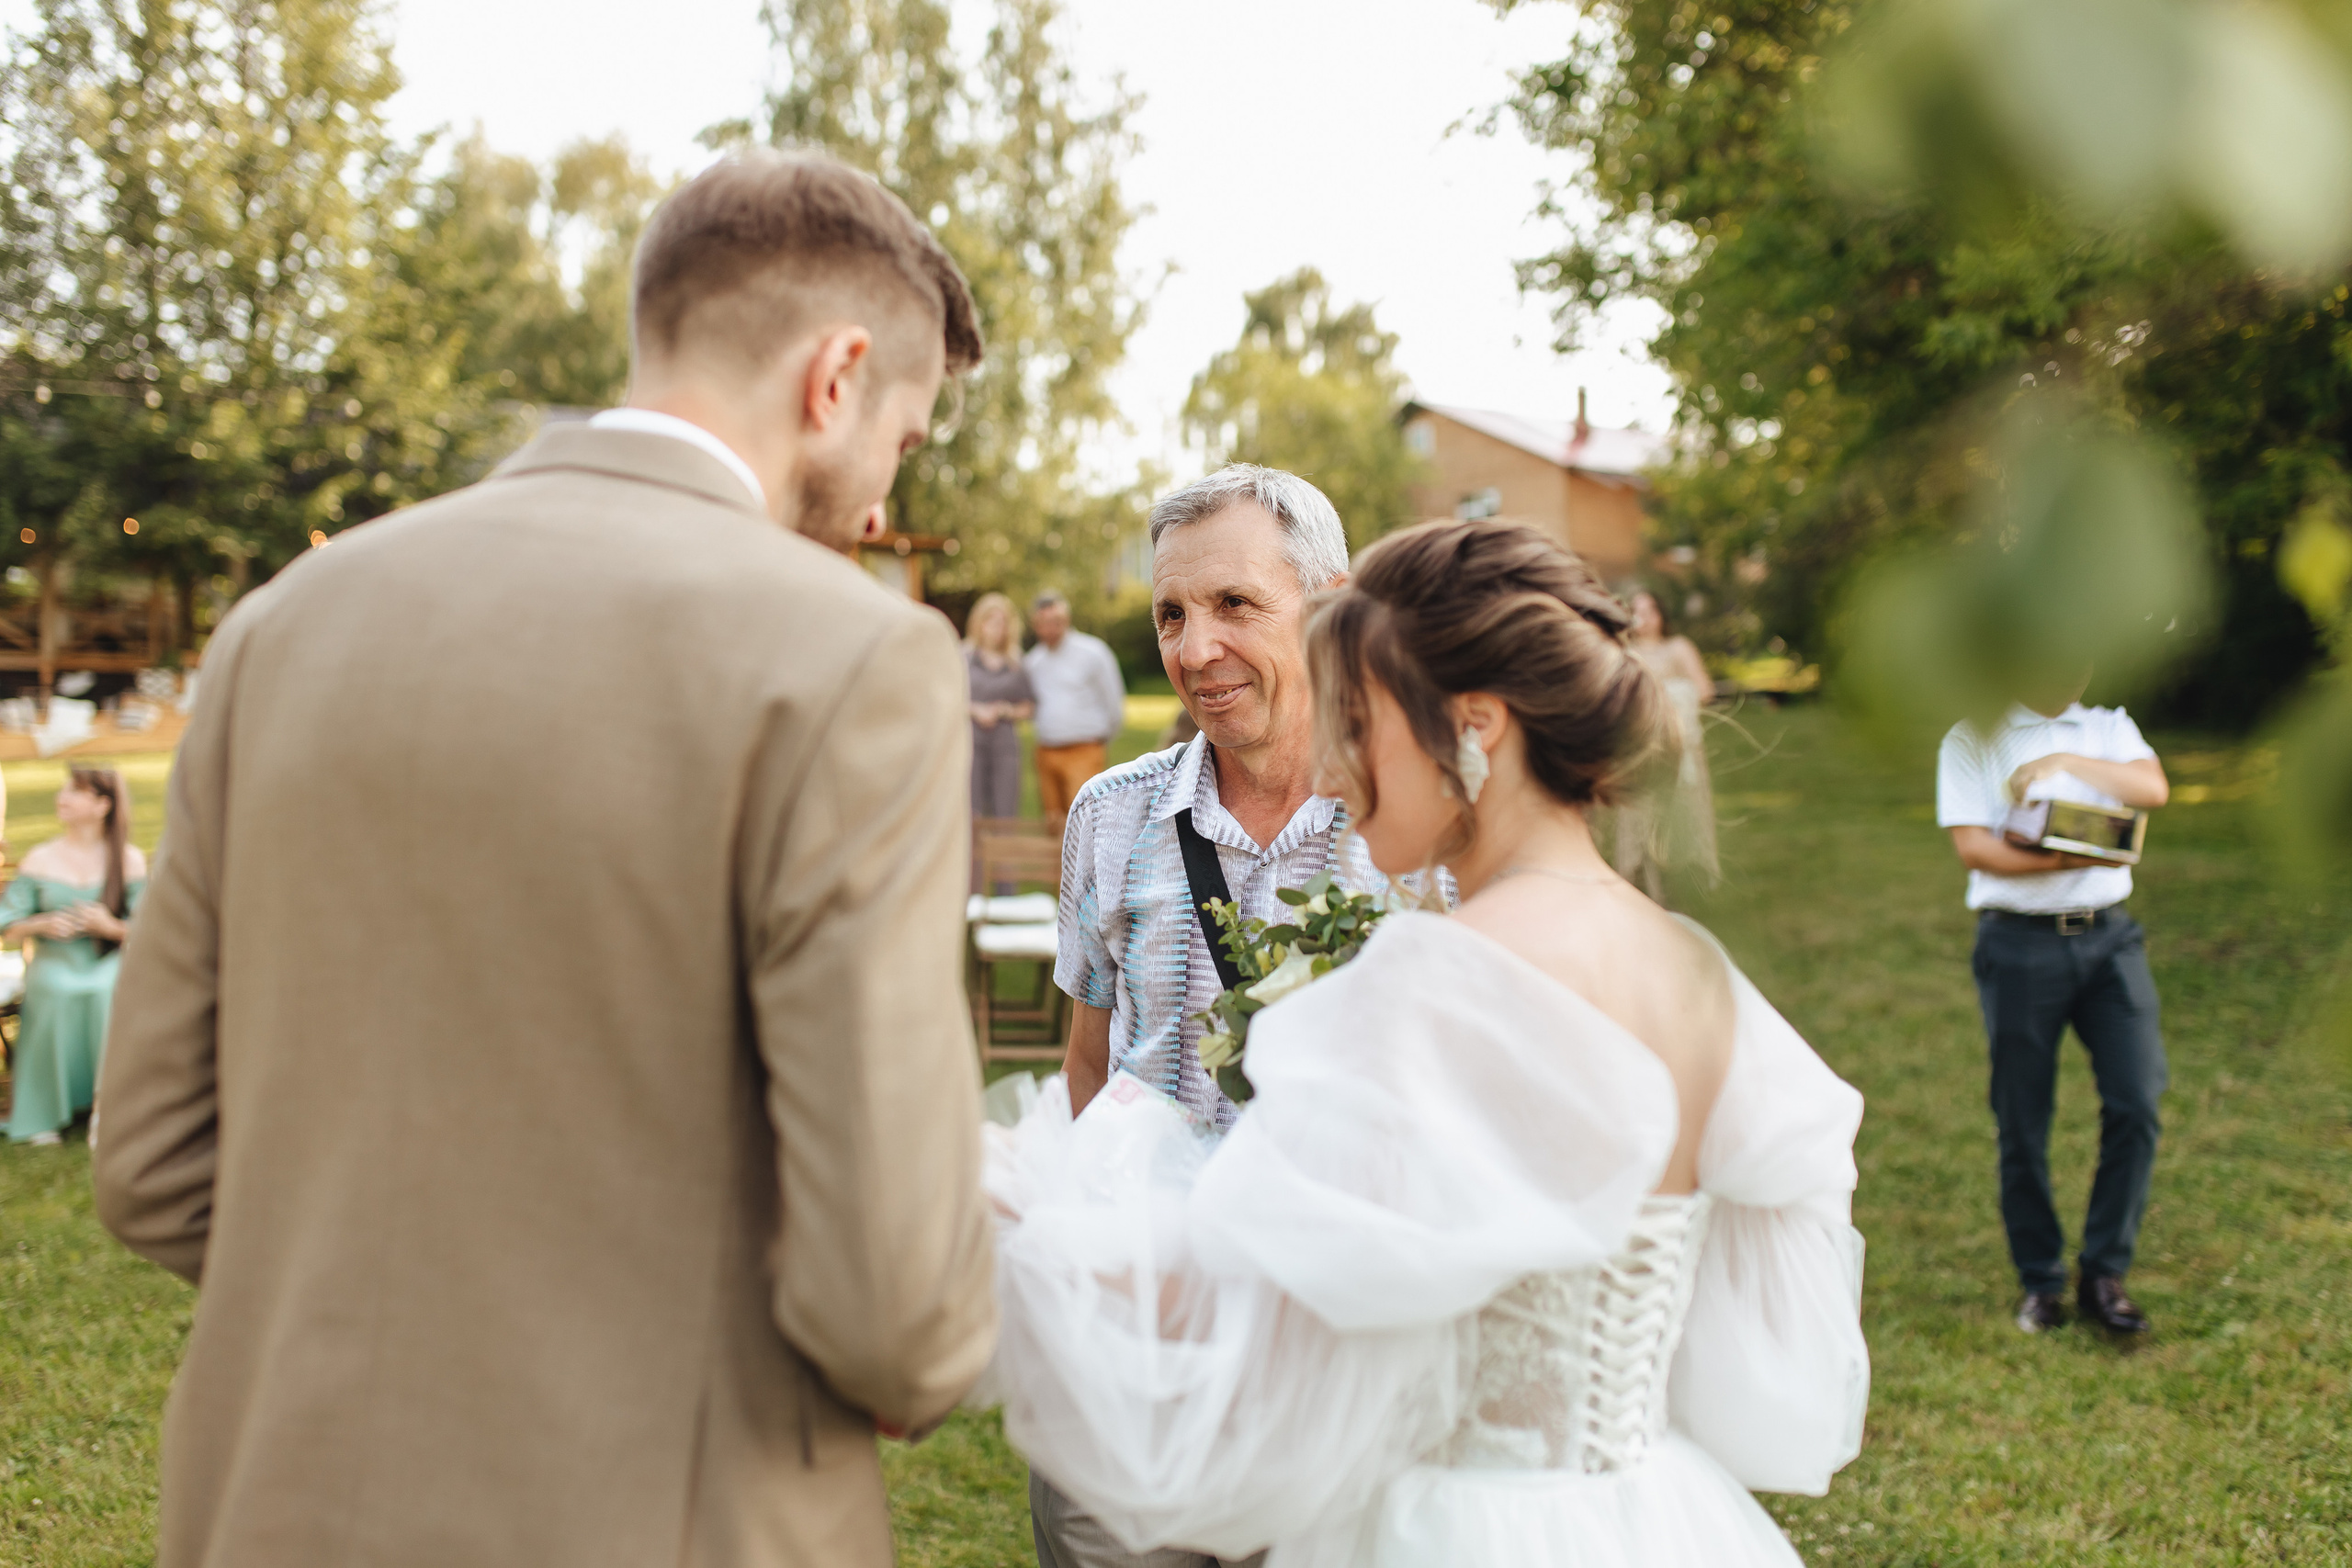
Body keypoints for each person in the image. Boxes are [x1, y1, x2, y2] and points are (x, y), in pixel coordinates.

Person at [92, 149, 998, 1568]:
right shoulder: (852, 655)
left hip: (274, 1499)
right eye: (907, 433)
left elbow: (147, 1156)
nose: (885, 501)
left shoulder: (284, 623)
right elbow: (890, 1299)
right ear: (836, 375)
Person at [986, 518, 1869, 1567]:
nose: (1333, 767)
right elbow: (1771, 1325)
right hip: (1646, 1513)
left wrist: (1020, 1216)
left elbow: (1269, 1313)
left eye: (1358, 723)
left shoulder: (1442, 977)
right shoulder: (1686, 967)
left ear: (1474, 727)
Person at [1037, 464, 1378, 1568]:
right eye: (1171, 614)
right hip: (1134, 1347)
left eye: (1235, 605)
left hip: (1340, 1354)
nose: (1193, 651)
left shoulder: (1416, 823)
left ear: (1328, 604)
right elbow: (1087, 1063)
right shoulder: (1108, 813)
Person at [1936, 678, 2170, 1337]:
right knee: (2023, 1116)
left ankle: (2104, 1272)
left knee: (2137, 1099)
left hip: (2110, 939)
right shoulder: (1970, 735)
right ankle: (2040, 1279)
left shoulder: (2108, 727)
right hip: (2019, 945)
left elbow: (2152, 789)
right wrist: (2071, 854)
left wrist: (2062, 765)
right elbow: (1974, 848)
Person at [2, 766, 143, 1145]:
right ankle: (43, 1112)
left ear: (102, 805)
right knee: (56, 989)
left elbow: (150, 932)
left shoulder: (128, 860)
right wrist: (42, 924)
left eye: (74, 791)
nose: (61, 797)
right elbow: (7, 924)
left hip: (105, 960)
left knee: (104, 990)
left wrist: (109, 926)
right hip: (54, 960)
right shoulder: (40, 858)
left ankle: (109, 1110)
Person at [1613, 587, 1716, 900]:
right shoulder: (1623, 654)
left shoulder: (1678, 647)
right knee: (1639, 811)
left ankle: (1686, 877)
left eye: (1650, 610)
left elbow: (1704, 690)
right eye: (1637, 611)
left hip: (1678, 744)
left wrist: (1665, 701)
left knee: (1681, 809)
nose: (1643, 618)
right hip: (1640, 748)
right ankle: (1641, 879)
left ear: (1661, 615)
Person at [1024, 589, 1127, 837]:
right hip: (1046, 753)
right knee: (1054, 824)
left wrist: (1100, 739)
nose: (1050, 629)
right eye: (1043, 623)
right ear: (1035, 625)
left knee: (1084, 823)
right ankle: (1057, 876)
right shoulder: (1032, 662)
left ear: (1066, 620)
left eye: (1056, 622)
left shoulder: (1093, 652)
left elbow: (1114, 701)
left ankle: (1088, 877)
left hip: (1084, 750)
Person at [967, 591, 1038, 822]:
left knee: (1005, 813)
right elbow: (947, 700)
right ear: (979, 623)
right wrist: (974, 710)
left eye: (1003, 623)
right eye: (992, 622)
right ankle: (973, 860)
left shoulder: (1016, 662)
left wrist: (1005, 710)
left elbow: (1030, 706)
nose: (998, 629)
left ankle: (1005, 859)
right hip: (971, 746)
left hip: (1004, 747)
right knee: (972, 812)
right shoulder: (963, 657)